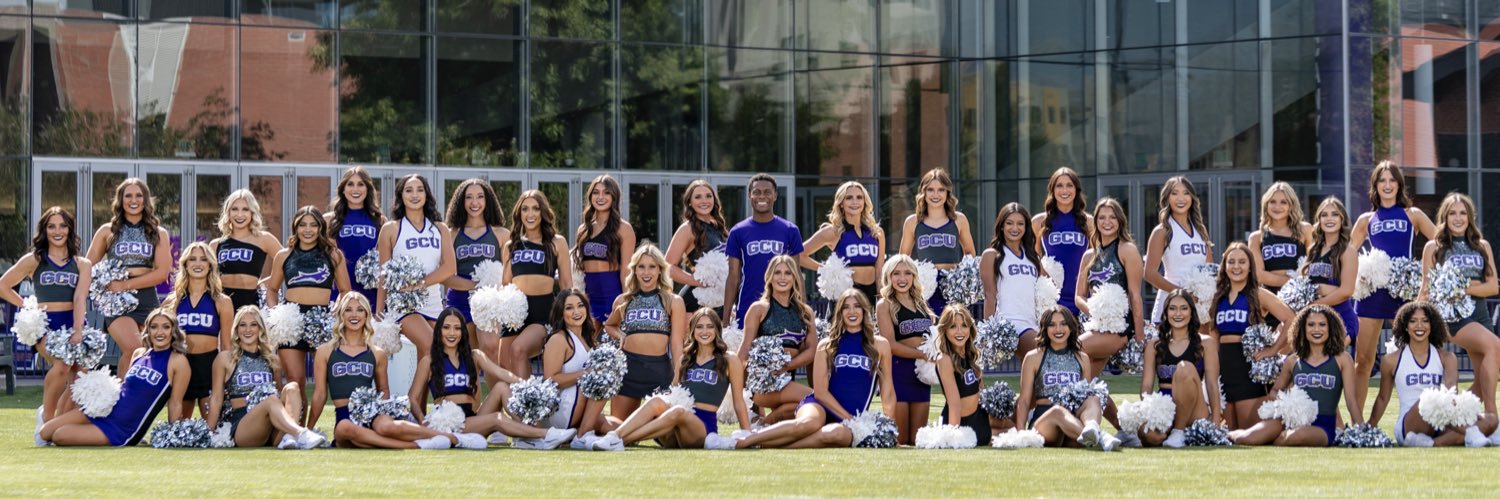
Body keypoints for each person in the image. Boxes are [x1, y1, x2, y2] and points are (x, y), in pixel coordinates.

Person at [308, 293, 486, 449]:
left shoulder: (377, 353)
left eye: (360, 310)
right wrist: (308, 431)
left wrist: (380, 413)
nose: (354, 315)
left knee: (385, 427)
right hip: (344, 417)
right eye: (348, 310)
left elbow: (384, 390)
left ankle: (451, 438)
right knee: (344, 428)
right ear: (341, 315)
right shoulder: (326, 351)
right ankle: (419, 445)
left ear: (366, 315)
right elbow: (319, 394)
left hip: (371, 413)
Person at [732, 290, 896, 449]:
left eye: (857, 306)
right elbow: (820, 392)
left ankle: (766, 444)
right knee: (808, 423)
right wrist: (848, 418)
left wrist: (889, 426)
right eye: (846, 307)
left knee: (835, 434)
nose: (851, 311)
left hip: (852, 420)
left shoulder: (880, 345)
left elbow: (887, 391)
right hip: (821, 406)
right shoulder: (827, 344)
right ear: (840, 313)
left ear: (864, 310)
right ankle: (749, 439)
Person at [408, 308, 575, 450]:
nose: (452, 333)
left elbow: (501, 373)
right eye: (446, 328)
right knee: (497, 419)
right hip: (447, 423)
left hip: (471, 419)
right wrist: (423, 421)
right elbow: (413, 398)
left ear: (463, 332)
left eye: (457, 328)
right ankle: (546, 435)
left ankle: (527, 436)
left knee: (502, 387)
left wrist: (526, 384)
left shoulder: (474, 356)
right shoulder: (429, 361)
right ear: (439, 331)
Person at [593, 309, 751, 450]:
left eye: (710, 326)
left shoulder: (729, 359)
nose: (705, 331)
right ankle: (614, 437)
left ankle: (622, 441)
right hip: (673, 428)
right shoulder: (685, 359)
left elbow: (738, 401)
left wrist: (747, 434)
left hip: (702, 429)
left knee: (678, 411)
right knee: (657, 401)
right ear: (692, 330)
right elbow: (674, 394)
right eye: (699, 326)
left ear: (717, 330)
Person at [1350, 160, 1439, 408]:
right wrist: (1359, 275)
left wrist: (1426, 277)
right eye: (1382, 180)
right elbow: (1347, 255)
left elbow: (1441, 244)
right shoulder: (1366, 219)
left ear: (1399, 185)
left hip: (1404, 293)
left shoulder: (1414, 215)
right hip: (1372, 294)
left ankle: (1421, 413)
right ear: (1375, 186)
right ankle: (1358, 422)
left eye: (1392, 180)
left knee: (1415, 355)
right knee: (1363, 360)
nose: (1387, 185)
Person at [37, 309, 190, 446]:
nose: (160, 332)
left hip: (121, 429)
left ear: (173, 331)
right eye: (154, 327)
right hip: (103, 410)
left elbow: (175, 403)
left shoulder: (177, 361)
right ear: (148, 330)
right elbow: (124, 388)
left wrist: (172, 436)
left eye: (166, 327)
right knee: (45, 431)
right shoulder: (139, 353)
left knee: (59, 435)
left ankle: (85, 434)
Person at [0, 207, 91, 422]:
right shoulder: (35, 260)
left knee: (80, 376)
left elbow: (79, 298)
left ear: (70, 229)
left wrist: (78, 330)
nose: (57, 231)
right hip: (47, 324)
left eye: (62, 225)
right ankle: (46, 420)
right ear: (44, 230)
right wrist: (27, 306)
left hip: (73, 322)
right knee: (61, 366)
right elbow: (3, 285)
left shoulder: (82, 264)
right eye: (51, 226)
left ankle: (59, 422)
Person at [1418, 192, 1500, 428]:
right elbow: (1427, 288)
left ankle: (1454, 415)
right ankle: (1493, 418)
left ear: (1470, 217)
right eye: (1452, 213)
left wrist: (1463, 288)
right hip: (1452, 318)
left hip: (1480, 315)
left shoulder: (1482, 245)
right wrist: (1413, 316)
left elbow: (1493, 285)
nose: (1458, 218)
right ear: (1444, 217)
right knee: (1495, 346)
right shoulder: (1434, 247)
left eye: (1462, 213)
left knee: (1484, 379)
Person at [1229, 305, 1363, 447]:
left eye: (1322, 324)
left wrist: (1363, 431)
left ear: (1331, 328)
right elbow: (1275, 391)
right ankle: (1223, 434)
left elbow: (1351, 401)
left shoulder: (1342, 358)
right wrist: (1288, 405)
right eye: (1311, 325)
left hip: (1322, 426)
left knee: (1298, 436)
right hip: (1288, 420)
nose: (1316, 329)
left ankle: (1272, 439)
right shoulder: (1293, 360)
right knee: (1248, 438)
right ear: (1302, 329)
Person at [1369, 301, 1497, 447]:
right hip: (1410, 426)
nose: (1419, 326)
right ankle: (1471, 432)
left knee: (1491, 420)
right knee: (1430, 398)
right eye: (1413, 321)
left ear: (1432, 325)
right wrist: (1369, 427)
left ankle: (1430, 443)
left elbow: (1451, 392)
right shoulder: (1391, 360)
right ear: (1405, 326)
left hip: (1441, 423)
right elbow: (1382, 398)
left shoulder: (1447, 357)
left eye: (1425, 321)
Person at [205, 306, 325, 449]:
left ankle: (288, 437)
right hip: (243, 427)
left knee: (292, 387)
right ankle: (301, 433)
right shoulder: (225, 358)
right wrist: (208, 434)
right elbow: (217, 398)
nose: (248, 330)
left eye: (253, 325)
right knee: (270, 400)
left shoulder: (272, 360)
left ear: (260, 329)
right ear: (236, 330)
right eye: (242, 325)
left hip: (271, 428)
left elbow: (281, 395)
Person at [85, 178, 172, 374]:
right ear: (120, 200)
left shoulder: (158, 233)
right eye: (128, 195)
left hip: (146, 297)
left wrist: (125, 285)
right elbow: (87, 267)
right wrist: (102, 284)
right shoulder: (107, 231)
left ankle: (124, 396)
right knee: (134, 348)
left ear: (146, 200)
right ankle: (124, 399)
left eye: (139, 195)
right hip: (117, 301)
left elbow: (162, 273)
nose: (134, 200)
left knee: (145, 352)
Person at [265, 206, 351, 400]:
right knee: (296, 381)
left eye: (313, 225)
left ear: (321, 227)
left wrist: (336, 308)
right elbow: (271, 289)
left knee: (328, 380)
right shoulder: (283, 255)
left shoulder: (333, 255)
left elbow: (345, 290)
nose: (308, 229)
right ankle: (297, 430)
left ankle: (315, 428)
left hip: (320, 320)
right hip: (291, 323)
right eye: (302, 225)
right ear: (295, 227)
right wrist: (276, 313)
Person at [1210, 242, 1294, 430]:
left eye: (1242, 262)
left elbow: (1291, 319)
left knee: (1248, 430)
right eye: (1231, 262)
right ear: (1224, 266)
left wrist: (1273, 349)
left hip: (1248, 369)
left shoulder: (1258, 294)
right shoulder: (1218, 297)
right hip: (1225, 368)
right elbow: (1214, 337)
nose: (1236, 266)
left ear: (1250, 267)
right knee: (1230, 432)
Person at [1014, 306, 1121, 451]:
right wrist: (1021, 433)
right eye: (1052, 325)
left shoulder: (1082, 358)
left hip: (1072, 426)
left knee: (1093, 398)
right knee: (1058, 411)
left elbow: (1084, 398)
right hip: (1046, 424)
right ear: (1045, 328)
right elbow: (1025, 400)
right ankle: (1101, 438)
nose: (1058, 329)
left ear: (1071, 327)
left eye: (1063, 324)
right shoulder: (1033, 357)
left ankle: (1092, 429)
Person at [376, 173, 455, 362]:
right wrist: (379, 315)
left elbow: (450, 268)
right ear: (401, 196)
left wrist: (419, 284)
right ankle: (412, 394)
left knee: (431, 357)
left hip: (433, 302)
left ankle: (419, 393)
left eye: (420, 190)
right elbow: (383, 275)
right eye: (408, 190)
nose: (414, 195)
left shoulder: (440, 228)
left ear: (427, 195)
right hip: (403, 304)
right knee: (430, 346)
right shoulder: (390, 229)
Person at [603, 245, 687, 421]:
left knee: (664, 436)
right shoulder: (623, 300)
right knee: (620, 430)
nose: (646, 272)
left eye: (652, 266)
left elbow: (677, 344)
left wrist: (678, 376)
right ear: (634, 270)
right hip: (629, 372)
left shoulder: (673, 301)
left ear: (660, 270)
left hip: (660, 373)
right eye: (641, 266)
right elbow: (610, 325)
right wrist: (620, 335)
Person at [501, 190, 573, 378]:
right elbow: (506, 283)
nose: (530, 214)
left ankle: (529, 404)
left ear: (543, 213)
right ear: (519, 213)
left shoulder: (556, 243)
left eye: (535, 209)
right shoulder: (511, 245)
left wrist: (568, 316)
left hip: (542, 312)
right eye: (525, 209)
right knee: (503, 365)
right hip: (515, 313)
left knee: (518, 349)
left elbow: (566, 284)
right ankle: (514, 406)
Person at [737, 255, 817, 424]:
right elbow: (744, 351)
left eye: (788, 273)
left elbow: (812, 350)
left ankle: (763, 425)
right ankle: (761, 423)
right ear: (769, 277)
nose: (782, 277)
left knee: (798, 408)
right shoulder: (759, 309)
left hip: (788, 380)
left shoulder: (805, 312)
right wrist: (735, 390)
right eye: (777, 273)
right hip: (764, 383)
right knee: (815, 400)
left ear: (795, 277)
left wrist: (787, 366)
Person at [1137, 290, 1221, 447]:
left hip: (1195, 409)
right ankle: (1176, 433)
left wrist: (1215, 419)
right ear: (1166, 312)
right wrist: (1148, 412)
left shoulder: (1206, 343)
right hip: (1166, 410)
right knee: (1147, 434)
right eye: (1172, 308)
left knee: (1185, 368)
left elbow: (1211, 383)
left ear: (1191, 312)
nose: (1178, 313)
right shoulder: (1154, 345)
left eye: (1184, 308)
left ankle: (1178, 431)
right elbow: (1147, 385)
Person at [442, 178, 510, 371]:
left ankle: (496, 400)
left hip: (488, 302)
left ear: (488, 201)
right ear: (460, 202)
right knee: (466, 358)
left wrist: (493, 289)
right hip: (459, 299)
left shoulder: (502, 234)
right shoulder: (451, 234)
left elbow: (509, 274)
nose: (474, 202)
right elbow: (445, 276)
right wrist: (476, 285)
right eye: (469, 197)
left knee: (490, 348)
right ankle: (472, 401)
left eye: (480, 197)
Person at [1075, 198, 1147, 377]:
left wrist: (1139, 339)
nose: (1107, 222)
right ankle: (1104, 406)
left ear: (1120, 221)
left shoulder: (1127, 250)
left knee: (1071, 349)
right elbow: (1079, 297)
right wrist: (1098, 311)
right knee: (1084, 384)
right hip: (1096, 326)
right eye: (1101, 218)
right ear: (1096, 222)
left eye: (1112, 217)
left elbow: (1134, 296)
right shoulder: (1088, 256)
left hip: (1120, 328)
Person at [163, 242, 235, 419]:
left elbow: (226, 343)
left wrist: (228, 375)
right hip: (182, 366)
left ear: (210, 265)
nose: (198, 264)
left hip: (209, 368)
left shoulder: (222, 301)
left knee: (212, 429)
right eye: (192, 259)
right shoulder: (172, 301)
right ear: (185, 265)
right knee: (180, 429)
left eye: (203, 259)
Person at [722, 173, 803, 325]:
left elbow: (797, 273)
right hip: (747, 307)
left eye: (767, 192)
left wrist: (803, 311)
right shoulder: (738, 231)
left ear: (775, 195)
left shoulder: (790, 230)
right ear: (749, 195)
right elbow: (733, 277)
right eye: (756, 192)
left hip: (783, 308)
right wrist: (725, 319)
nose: (762, 196)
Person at [542, 289, 617, 449]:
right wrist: (586, 374)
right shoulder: (559, 338)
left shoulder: (587, 339)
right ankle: (582, 436)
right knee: (601, 378)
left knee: (619, 430)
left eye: (580, 306)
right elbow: (550, 380)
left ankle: (580, 433)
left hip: (581, 406)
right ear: (561, 313)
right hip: (562, 409)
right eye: (569, 308)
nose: (576, 312)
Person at [899, 168, 976, 317]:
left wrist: (962, 277)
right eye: (930, 190)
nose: (936, 195)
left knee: (953, 327)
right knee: (929, 331)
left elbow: (969, 252)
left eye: (941, 190)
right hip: (926, 286)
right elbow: (903, 258)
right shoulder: (912, 222)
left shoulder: (959, 219)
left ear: (948, 193)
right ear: (924, 192)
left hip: (953, 285)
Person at [875, 254, 935, 444]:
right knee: (900, 441)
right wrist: (922, 354)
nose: (902, 278)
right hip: (898, 374)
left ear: (914, 277)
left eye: (907, 273)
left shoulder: (922, 303)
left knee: (918, 440)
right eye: (896, 273)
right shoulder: (884, 305)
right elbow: (889, 345)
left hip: (921, 375)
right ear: (889, 277)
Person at [800, 181, 885, 305]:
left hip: (871, 296)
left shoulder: (877, 233)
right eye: (849, 198)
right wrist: (827, 270)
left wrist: (880, 299)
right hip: (845, 296)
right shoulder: (833, 231)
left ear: (865, 202)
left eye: (859, 197)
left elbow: (879, 271)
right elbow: (798, 254)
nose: (855, 202)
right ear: (841, 204)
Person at [1144, 176, 1212, 321]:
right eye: (1174, 193)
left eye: (1186, 193)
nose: (1180, 198)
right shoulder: (1162, 231)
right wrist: (1181, 293)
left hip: (1198, 308)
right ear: (1167, 198)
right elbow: (1149, 273)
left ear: (1192, 197)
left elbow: (1209, 269)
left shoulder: (1200, 230)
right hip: (1170, 306)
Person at [982, 202, 1044, 355]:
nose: (1015, 228)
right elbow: (990, 296)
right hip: (1009, 324)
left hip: (1033, 323)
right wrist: (989, 333)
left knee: (1034, 374)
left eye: (1020, 224)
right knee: (1044, 352)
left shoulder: (1033, 258)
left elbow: (1049, 287)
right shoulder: (992, 255)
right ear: (1001, 226)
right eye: (1009, 223)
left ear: (1026, 227)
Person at [574, 175, 636, 323]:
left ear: (614, 196)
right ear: (590, 196)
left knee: (612, 343)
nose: (600, 197)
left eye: (606, 192)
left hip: (612, 295)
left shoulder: (624, 229)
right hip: (588, 296)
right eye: (596, 192)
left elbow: (626, 271)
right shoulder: (583, 229)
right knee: (589, 343)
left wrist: (626, 301)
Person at [210, 189, 282, 312]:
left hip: (251, 305)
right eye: (235, 209)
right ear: (228, 212)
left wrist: (268, 283)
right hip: (221, 305)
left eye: (245, 209)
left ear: (252, 212)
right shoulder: (216, 244)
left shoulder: (263, 239)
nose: (239, 214)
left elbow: (288, 262)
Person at [1032, 167, 1092, 314]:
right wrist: (1047, 280)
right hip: (1052, 300)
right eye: (1059, 185)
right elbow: (1031, 257)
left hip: (1082, 298)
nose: (1064, 190)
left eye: (1069, 185)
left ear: (1076, 189)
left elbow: (1098, 259)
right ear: (1052, 190)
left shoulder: (1089, 222)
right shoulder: (1039, 221)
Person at [665, 180, 729, 315]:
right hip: (695, 300)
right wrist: (696, 281)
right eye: (697, 197)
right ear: (690, 202)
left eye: (708, 196)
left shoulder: (718, 227)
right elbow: (667, 267)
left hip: (719, 300)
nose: (704, 200)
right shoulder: (687, 228)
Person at [326, 166, 386, 305]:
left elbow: (385, 261)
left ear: (368, 189)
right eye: (350, 184)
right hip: (339, 293)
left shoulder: (380, 221)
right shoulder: (330, 220)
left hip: (371, 293)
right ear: (343, 189)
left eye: (360, 184)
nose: (355, 189)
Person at [1303, 197, 1359, 340]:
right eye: (1324, 215)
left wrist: (1314, 305)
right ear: (1319, 220)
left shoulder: (1348, 251)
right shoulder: (1313, 250)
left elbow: (1346, 291)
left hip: (1341, 320)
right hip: (1317, 321)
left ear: (1342, 220)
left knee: (1334, 362)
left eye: (1335, 214)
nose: (1329, 219)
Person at [934, 307, 990, 446]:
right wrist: (954, 438)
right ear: (945, 330)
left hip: (979, 422)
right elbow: (954, 403)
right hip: (960, 425)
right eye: (953, 327)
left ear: (970, 329)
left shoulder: (970, 356)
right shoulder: (944, 359)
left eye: (964, 326)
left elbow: (980, 392)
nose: (959, 332)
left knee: (1011, 428)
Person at [1247, 182, 1313, 296]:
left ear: (1291, 206)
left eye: (1283, 202)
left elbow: (1313, 264)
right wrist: (1295, 280)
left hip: (1301, 294)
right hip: (1270, 298)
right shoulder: (1256, 237)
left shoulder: (1305, 230)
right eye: (1272, 202)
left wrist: (1301, 284)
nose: (1277, 207)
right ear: (1266, 204)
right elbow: (1259, 275)